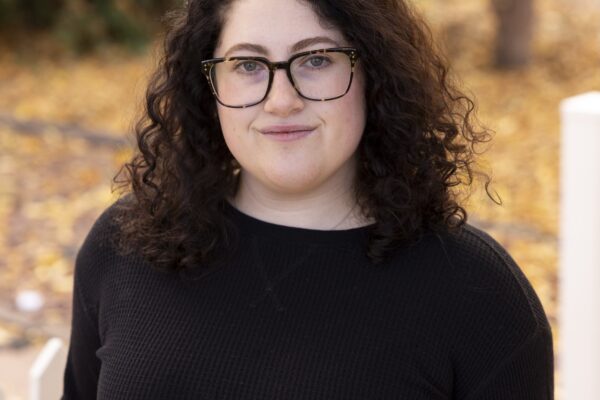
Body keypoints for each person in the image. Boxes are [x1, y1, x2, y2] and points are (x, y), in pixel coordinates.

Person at [62, 0, 555, 398]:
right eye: (248, 64)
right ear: (208, 84)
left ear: (375, 75)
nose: (281, 99)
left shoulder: (478, 295)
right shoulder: (125, 244)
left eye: (317, 59)